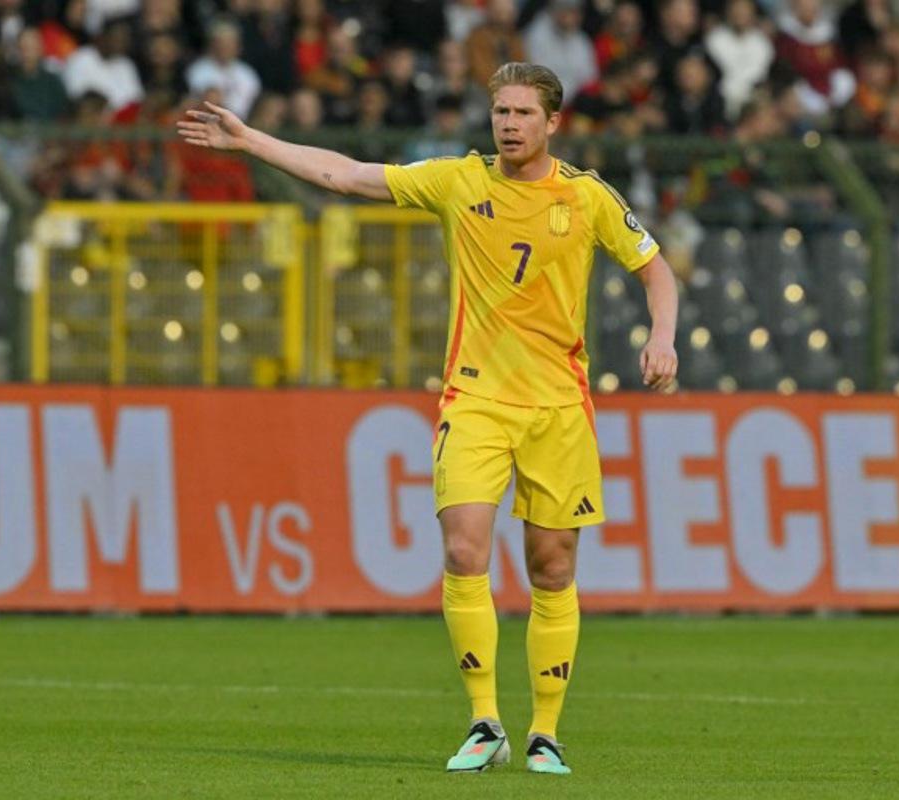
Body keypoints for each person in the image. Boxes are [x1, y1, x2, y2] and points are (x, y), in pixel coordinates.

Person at [177, 60, 679, 776]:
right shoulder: (458, 181)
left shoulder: (588, 197)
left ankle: (545, 732)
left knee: (551, 563)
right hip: (474, 399)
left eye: (522, 114)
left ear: (553, 123)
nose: (508, 125)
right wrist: (254, 141)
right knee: (465, 549)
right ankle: (484, 722)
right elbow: (346, 175)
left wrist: (661, 336)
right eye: (500, 112)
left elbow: (656, 270)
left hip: (559, 407)